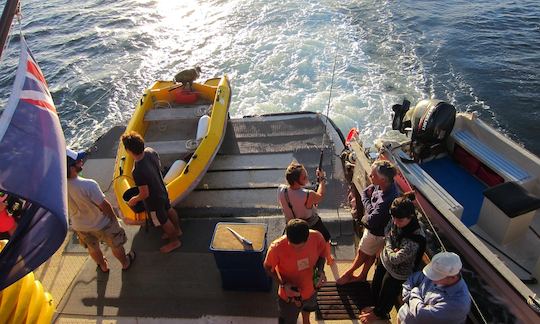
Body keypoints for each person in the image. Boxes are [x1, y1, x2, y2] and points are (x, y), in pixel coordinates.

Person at [359, 192, 426, 322]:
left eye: (399, 220)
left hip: (398, 272)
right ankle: (375, 307)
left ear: (411, 217)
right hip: (385, 261)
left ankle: (379, 313)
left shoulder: (415, 239)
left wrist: (388, 244)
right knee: (376, 285)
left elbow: (396, 259)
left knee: (387, 293)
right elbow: (387, 229)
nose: (395, 222)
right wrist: (391, 247)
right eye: (393, 218)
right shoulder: (397, 216)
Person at [66, 148, 135, 272]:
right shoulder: (89, 185)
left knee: (92, 248)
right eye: (77, 161)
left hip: (80, 226)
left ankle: (103, 266)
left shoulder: (59, 187)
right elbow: (104, 205)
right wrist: (114, 219)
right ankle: (125, 263)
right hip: (101, 223)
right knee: (115, 245)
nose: (81, 161)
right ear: (70, 167)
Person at [337, 160, 398, 284]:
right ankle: (362, 276)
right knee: (370, 254)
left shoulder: (387, 200)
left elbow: (370, 221)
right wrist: (371, 209)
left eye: (373, 175)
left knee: (362, 253)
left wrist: (367, 212)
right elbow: (365, 193)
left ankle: (348, 274)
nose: (370, 176)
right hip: (379, 229)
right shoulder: (382, 185)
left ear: (383, 180)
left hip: (376, 233)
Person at [121, 131, 182, 253]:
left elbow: (144, 194)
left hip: (154, 201)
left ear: (128, 151)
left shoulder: (137, 171)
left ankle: (174, 241)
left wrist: (134, 200)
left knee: (163, 220)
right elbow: (157, 167)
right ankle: (178, 230)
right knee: (169, 209)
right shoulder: (150, 151)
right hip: (162, 190)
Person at [264, 219, 332, 324]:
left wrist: (320, 271)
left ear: (308, 237)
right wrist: (283, 284)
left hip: (311, 290)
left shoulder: (317, 237)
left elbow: (322, 254)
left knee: (308, 309)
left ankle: (306, 321)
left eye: (301, 246)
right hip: (289, 297)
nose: (297, 250)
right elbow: (268, 267)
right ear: (287, 237)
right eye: (293, 246)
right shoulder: (276, 247)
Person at [397, 252, 471, 324]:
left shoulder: (459, 304)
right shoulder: (439, 272)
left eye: (436, 276)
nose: (431, 278)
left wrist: (414, 291)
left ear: (452, 277)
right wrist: (417, 304)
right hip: (403, 316)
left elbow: (421, 315)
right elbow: (411, 281)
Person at [277, 162, 331, 242]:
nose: (307, 178)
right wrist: (322, 179)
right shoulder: (308, 194)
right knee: (326, 239)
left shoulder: (281, 190)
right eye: (304, 177)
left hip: (292, 227)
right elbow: (320, 195)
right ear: (295, 181)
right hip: (311, 226)